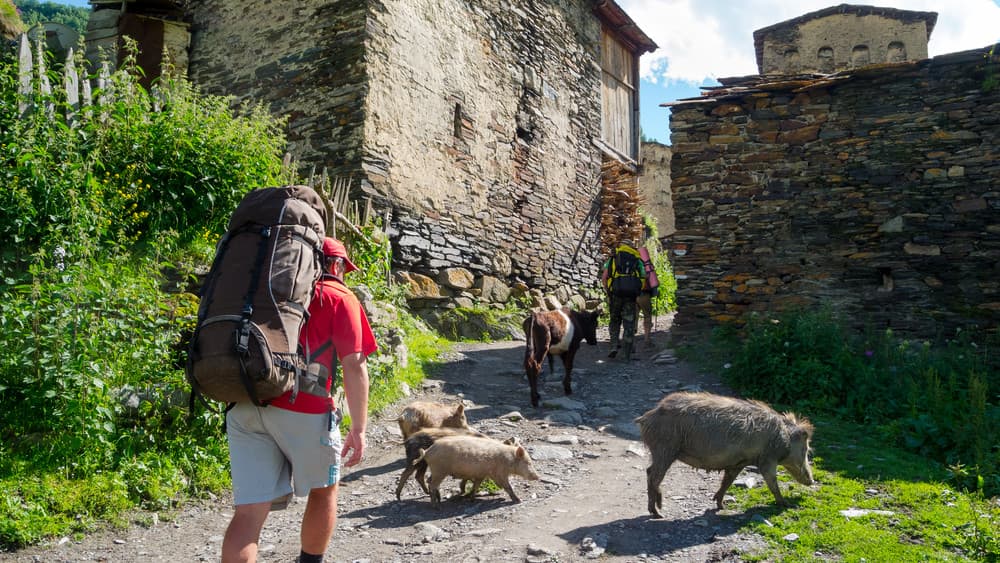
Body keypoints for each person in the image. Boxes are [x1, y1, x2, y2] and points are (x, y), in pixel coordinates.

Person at [222, 237, 377, 563]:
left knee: (248, 514)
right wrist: (359, 428)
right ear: (336, 266)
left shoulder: (262, 290)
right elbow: (354, 365)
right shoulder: (339, 297)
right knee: (323, 492)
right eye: (344, 269)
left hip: (247, 403)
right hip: (305, 410)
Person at [600, 239, 642, 362]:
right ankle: (626, 355)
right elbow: (643, 276)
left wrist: (609, 291)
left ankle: (613, 345)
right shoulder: (636, 259)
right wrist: (636, 290)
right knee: (629, 323)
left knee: (614, 320)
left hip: (616, 294)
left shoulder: (613, 258)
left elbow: (604, 277)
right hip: (630, 296)